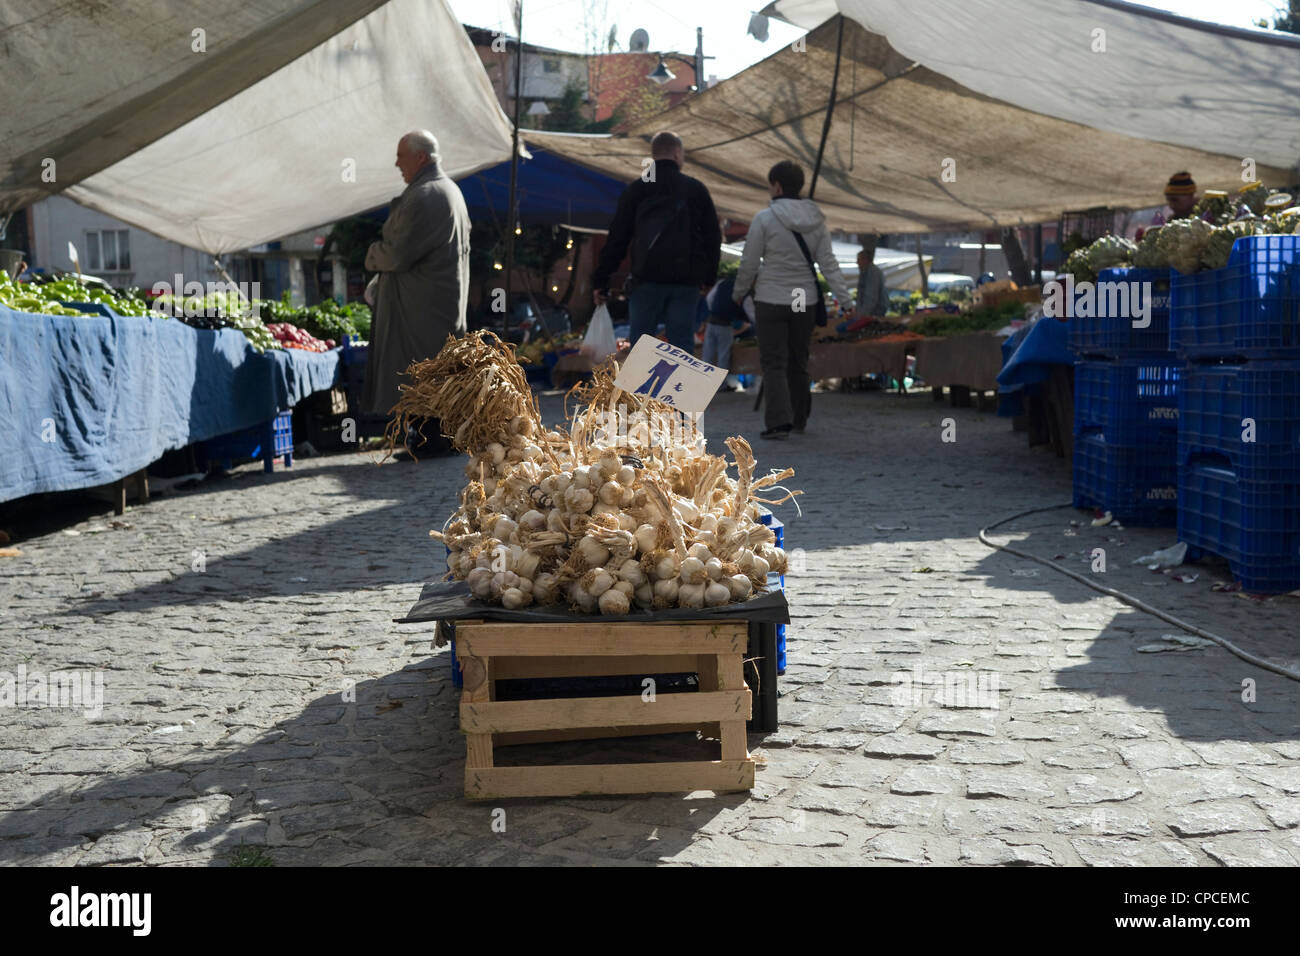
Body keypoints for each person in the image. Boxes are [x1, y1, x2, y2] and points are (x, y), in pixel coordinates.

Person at [362, 129, 469, 454]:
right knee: (430, 370)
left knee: (420, 370)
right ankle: (429, 438)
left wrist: (371, 254)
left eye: (401, 155)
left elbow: (396, 254)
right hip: (430, 303)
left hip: (419, 307)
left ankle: (429, 440)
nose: (397, 163)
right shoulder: (444, 190)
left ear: (420, 157)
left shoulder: (426, 195)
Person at [733, 160, 853, 439]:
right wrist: (846, 301)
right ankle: (799, 419)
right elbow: (829, 264)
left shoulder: (764, 218)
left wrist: (738, 294)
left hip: (771, 298)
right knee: (798, 361)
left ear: (776, 186)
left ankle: (778, 423)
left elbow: (749, 263)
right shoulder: (817, 220)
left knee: (774, 362)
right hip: (804, 301)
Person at [592, 131, 721, 354]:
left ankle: (641, 390)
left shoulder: (637, 189)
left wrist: (601, 280)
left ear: (653, 155)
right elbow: (713, 236)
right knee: (681, 346)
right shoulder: (695, 189)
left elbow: (617, 238)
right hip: (685, 283)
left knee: (642, 347)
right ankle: (681, 389)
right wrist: (708, 278)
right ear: (678, 153)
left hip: (645, 281)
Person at [703, 273, 754, 391]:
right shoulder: (744, 291)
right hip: (725, 325)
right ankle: (721, 385)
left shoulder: (722, 283)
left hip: (711, 321)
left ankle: (704, 383)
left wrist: (714, 311)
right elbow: (751, 313)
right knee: (723, 355)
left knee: (708, 354)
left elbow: (709, 298)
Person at [855, 238, 890, 317]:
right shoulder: (865, 271)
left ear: (865, 260)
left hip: (876, 311)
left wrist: (862, 314)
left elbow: (870, 296)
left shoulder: (872, 273)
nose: (857, 262)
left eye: (859, 259)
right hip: (872, 311)